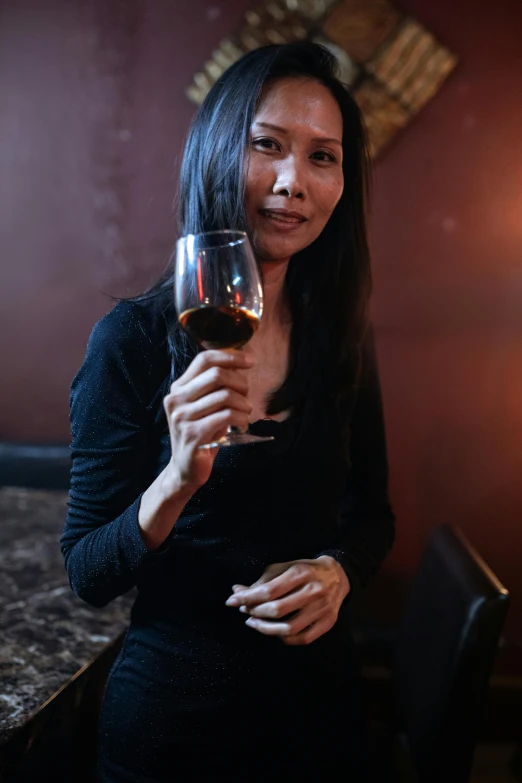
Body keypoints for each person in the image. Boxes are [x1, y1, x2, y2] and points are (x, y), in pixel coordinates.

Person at [61, 41, 395, 782]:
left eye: (322, 157)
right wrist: (177, 477)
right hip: (175, 724)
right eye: (267, 145)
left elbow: (373, 515)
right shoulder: (135, 340)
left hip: (322, 719)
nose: (292, 182)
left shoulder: (340, 334)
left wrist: (338, 572)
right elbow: (87, 572)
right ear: (217, 151)